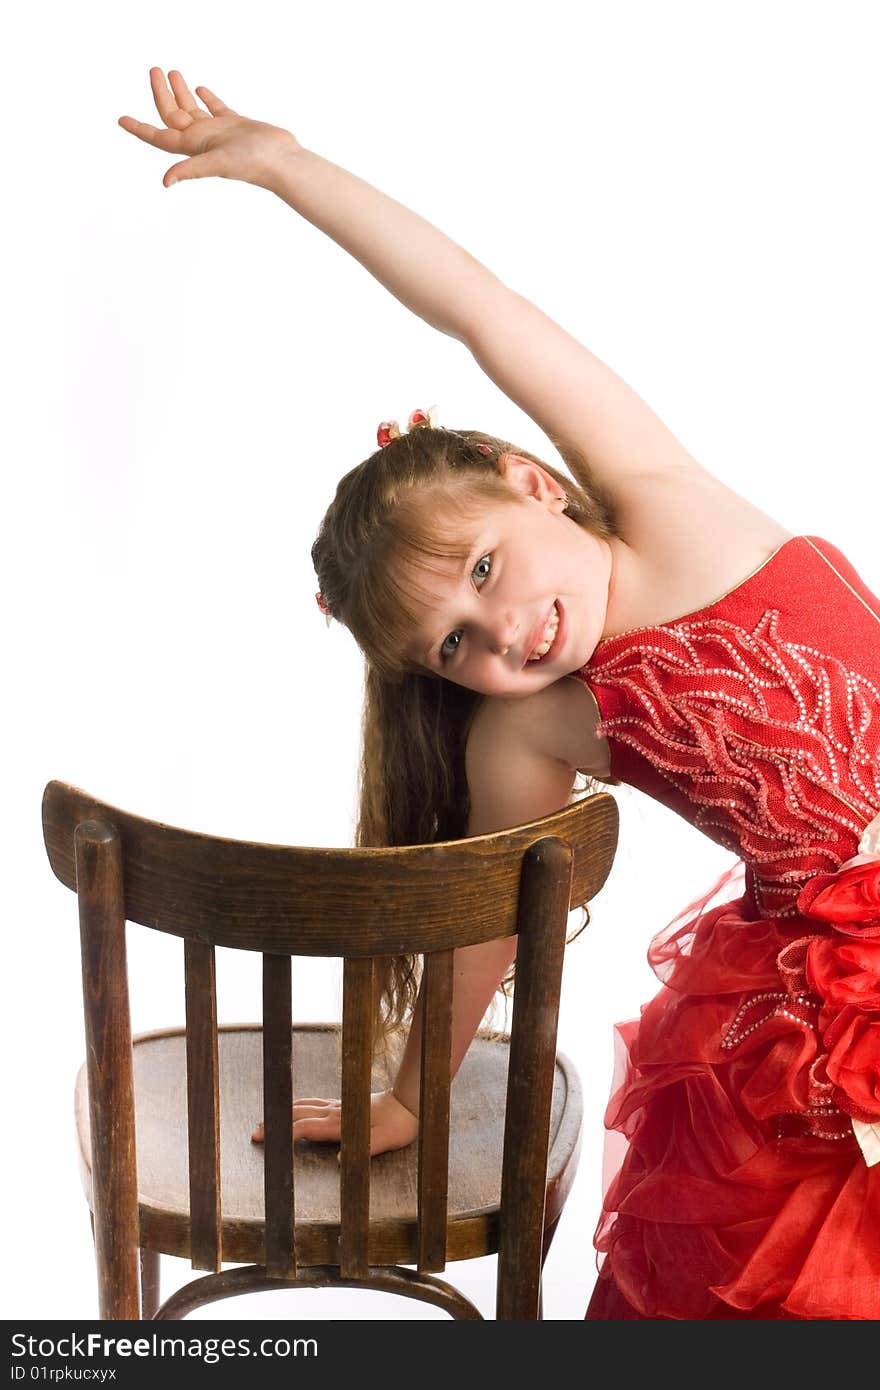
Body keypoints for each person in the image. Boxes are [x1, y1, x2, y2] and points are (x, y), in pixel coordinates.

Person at [118, 69, 880, 1320]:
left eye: (482, 574)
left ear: (530, 481)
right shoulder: (536, 725)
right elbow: (483, 913)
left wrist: (286, 164)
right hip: (830, 1004)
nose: (500, 638)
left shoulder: (660, 499)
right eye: (452, 648)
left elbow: (480, 308)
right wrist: (411, 1097)